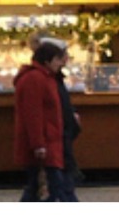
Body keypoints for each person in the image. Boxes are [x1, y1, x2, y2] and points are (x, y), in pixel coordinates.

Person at [14, 40, 67, 202]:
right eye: (58, 59)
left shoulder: (44, 77)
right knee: (53, 187)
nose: (61, 63)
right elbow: (33, 114)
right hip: (44, 143)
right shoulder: (36, 79)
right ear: (47, 60)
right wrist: (38, 144)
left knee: (37, 188)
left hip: (48, 140)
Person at [33, 35, 82, 201]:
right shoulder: (44, 78)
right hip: (54, 136)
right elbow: (37, 112)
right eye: (61, 57)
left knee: (54, 186)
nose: (64, 60)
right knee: (58, 185)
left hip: (59, 134)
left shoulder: (53, 77)